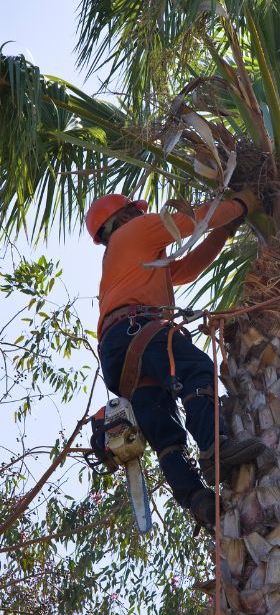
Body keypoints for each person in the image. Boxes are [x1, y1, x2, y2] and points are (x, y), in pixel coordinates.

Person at [86, 192, 266, 533]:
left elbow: (187, 269)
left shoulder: (126, 256)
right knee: (196, 369)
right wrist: (244, 202)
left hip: (118, 353)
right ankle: (216, 447)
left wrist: (226, 229)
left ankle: (196, 499)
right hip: (136, 329)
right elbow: (190, 221)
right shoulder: (135, 233)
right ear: (124, 216)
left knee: (165, 431)